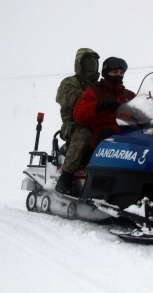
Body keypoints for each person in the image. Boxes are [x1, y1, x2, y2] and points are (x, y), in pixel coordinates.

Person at [54, 48, 100, 195]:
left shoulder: (98, 86)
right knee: (84, 134)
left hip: (96, 124)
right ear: (80, 63)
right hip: (73, 125)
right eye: (88, 60)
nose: (92, 64)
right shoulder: (70, 82)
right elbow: (66, 96)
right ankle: (65, 177)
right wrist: (96, 100)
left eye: (94, 61)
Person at [73, 57, 136, 149]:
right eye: (115, 72)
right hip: (105, 132)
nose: (118, 75)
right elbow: (78, 114)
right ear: (106, 73)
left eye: (121, 73)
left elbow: (141, 110)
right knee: (107, 136)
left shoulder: (129, 94)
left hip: (129, 131)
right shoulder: (94, 92)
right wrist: (100, 105)